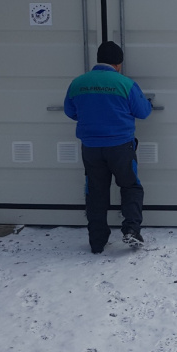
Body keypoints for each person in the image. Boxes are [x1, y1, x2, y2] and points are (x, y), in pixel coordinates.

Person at [64, 41, 153, 254]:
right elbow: (143, 112)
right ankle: (131, 229)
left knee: (95, 192)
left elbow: (70, 111)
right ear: (118, 64)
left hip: (91, 148)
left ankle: (97, 241)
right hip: (120, 147)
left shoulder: (78, 83)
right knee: (130, 186)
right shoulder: (125, 84)